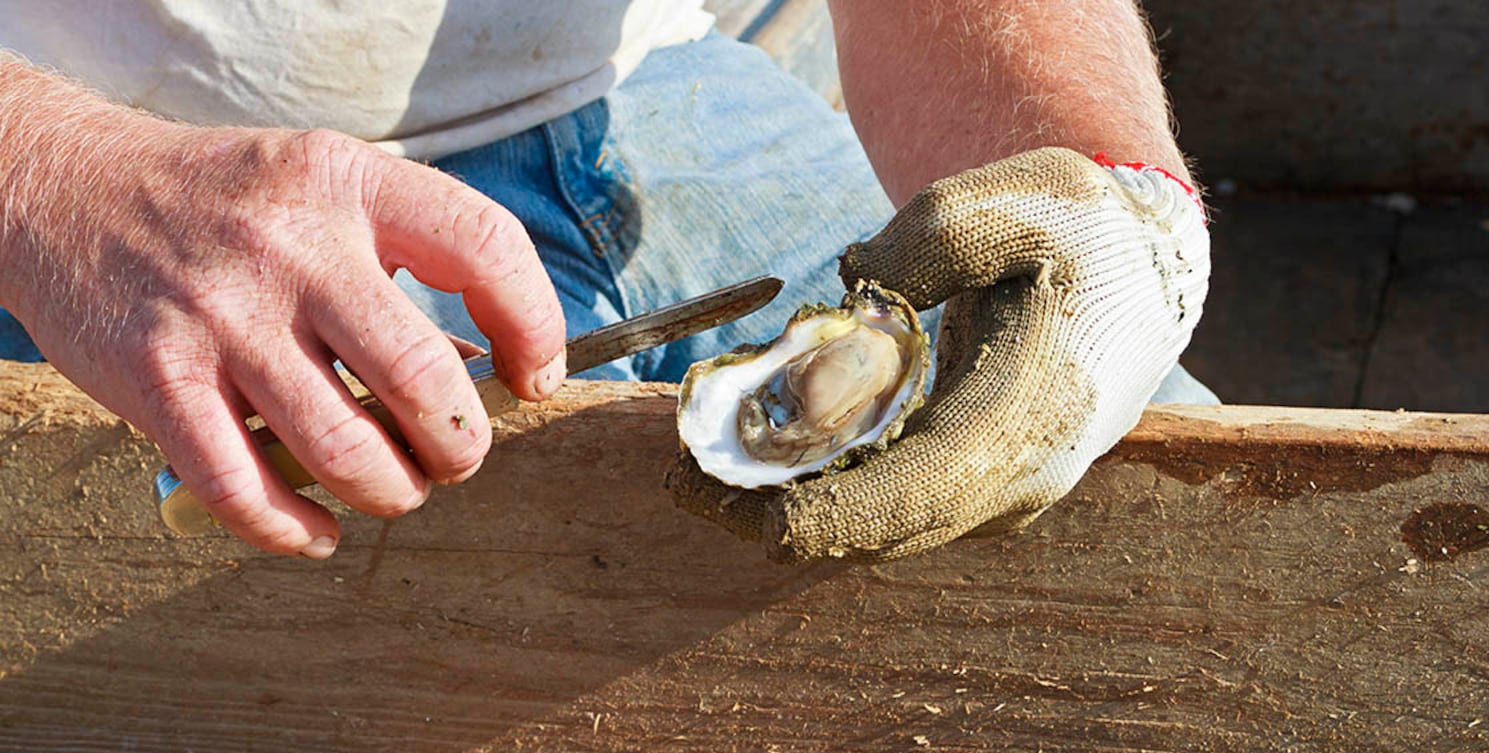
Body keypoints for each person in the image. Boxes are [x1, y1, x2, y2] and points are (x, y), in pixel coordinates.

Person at [0, 1, 1214, 561]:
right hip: (101, 197)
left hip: (660, 92)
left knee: (1162, 517)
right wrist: (61, 183)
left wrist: (1121, 214)